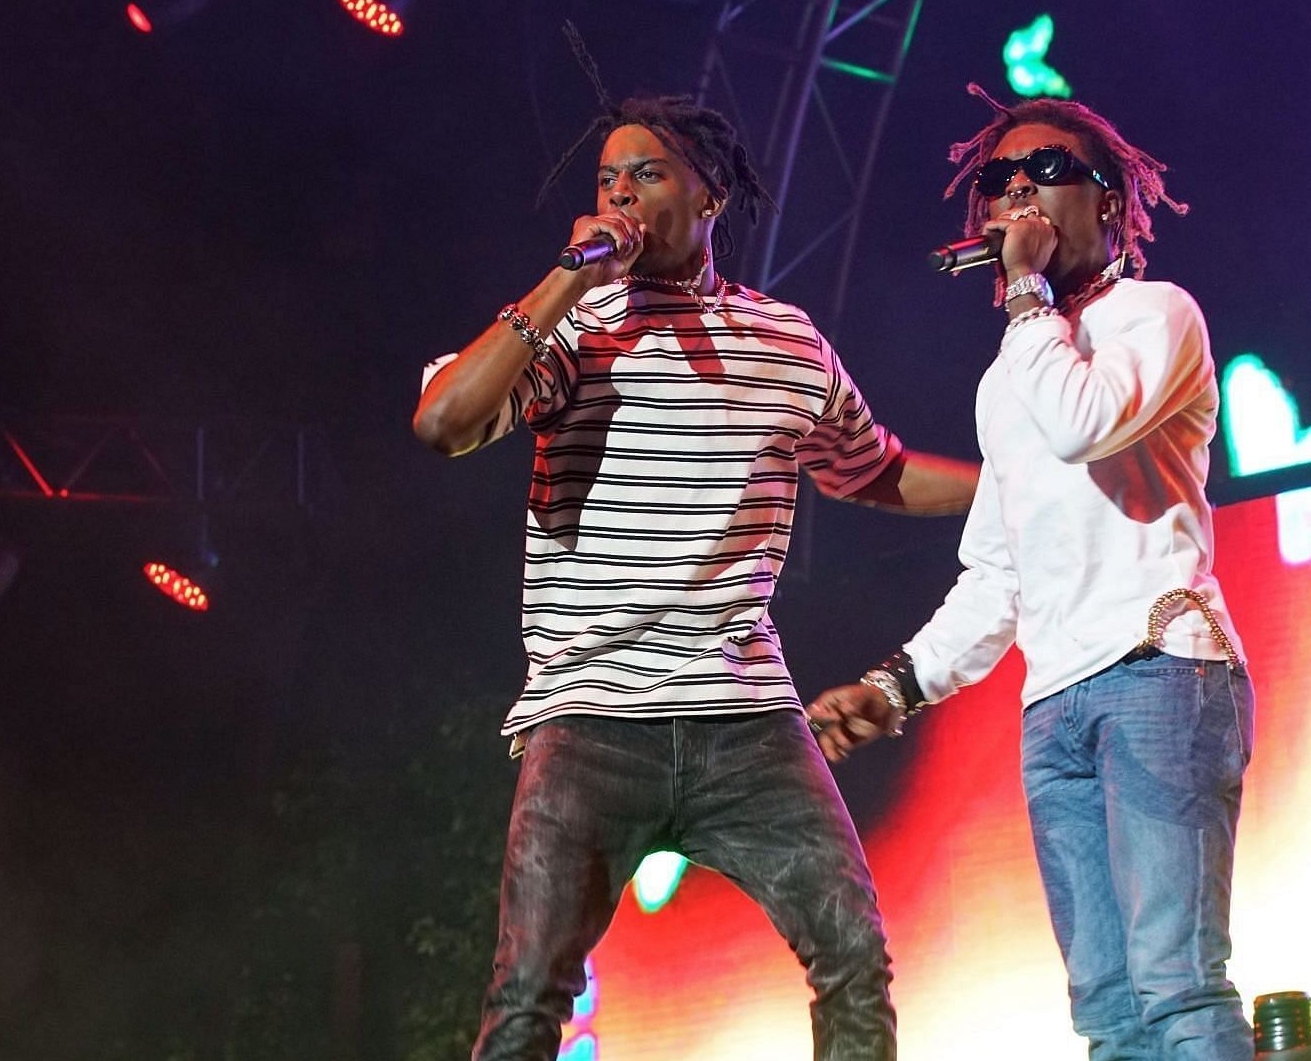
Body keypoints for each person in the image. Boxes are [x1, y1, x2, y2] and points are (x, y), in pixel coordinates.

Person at [412, 83, 977, 1061]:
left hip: (743, 715)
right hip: (588, 715)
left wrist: (1014, 484)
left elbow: (873, 469)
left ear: (710, 196)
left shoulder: (786, 340)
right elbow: (444, 423)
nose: (622, 194)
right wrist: (565, 280)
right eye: (607, 179)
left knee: (854, 957)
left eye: (648, 173)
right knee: (526, 996)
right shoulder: (574, 331)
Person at [806, 87, 1257, 1061]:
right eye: (1001, 180)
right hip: (1051, 707)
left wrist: (1026, 301)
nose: (1019, 190)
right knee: (1107, 1012)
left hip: (1159, 667)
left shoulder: (1156, 316)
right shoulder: (1006, 376)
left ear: (1107, 200)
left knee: (1176, 987)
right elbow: (997, 575)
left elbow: (1084, 419)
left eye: (1048, 171)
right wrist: (897, 685)